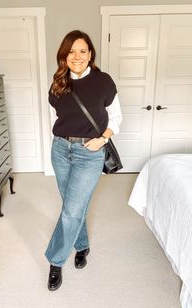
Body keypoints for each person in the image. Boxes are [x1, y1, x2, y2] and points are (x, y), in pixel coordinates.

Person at [45, 30, 122, 291]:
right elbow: (57, 118)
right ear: (64, 56)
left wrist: (102, 140)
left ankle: (55, 261)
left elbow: (116, 118)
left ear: (90, 54)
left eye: (82, 51)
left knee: (71, 210)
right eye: (71, 51)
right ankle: (82, 245)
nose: (77, 56)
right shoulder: (58, 83)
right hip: (60, 150)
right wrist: (60, 141)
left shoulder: (104, 82)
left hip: (89, 153)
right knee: (72, 206)